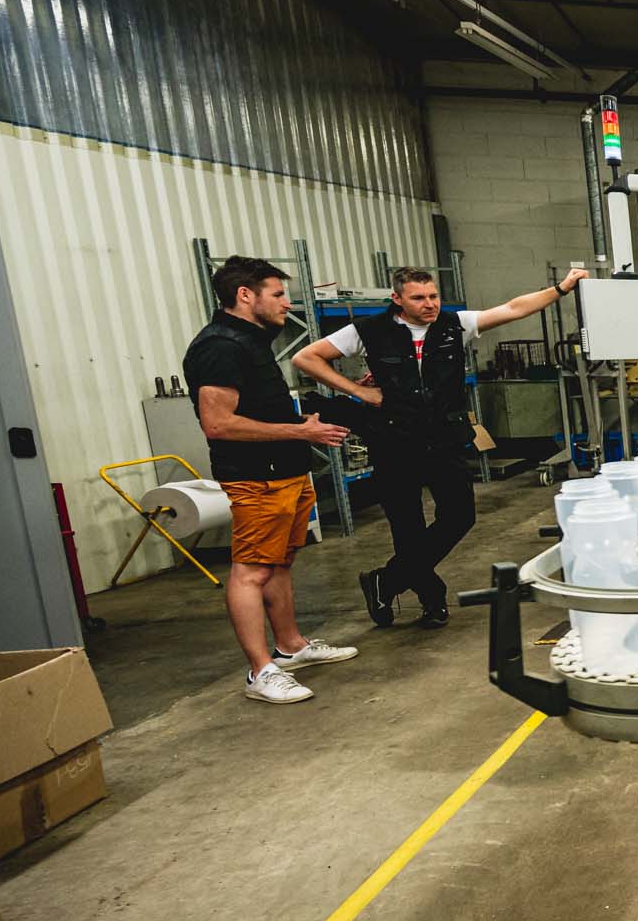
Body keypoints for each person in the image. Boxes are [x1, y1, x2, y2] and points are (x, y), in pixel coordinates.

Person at [294, 265, 590, 628]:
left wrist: (560, 289)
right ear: (397, 299)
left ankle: (386, 581)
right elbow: (305, 357)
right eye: (419, 298)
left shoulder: (455, 325)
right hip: (394, 440)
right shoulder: (369, 330)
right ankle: (431, 599)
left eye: (433, 296)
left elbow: (513, 308)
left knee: (459, 516)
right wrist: (359, 391)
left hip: (443, 438)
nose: (430, 304)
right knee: (407, 527)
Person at [185, 256, 360, 705]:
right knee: (252, 571)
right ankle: (260, 671)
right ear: (245, 295)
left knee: (280, 562)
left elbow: (258, 410)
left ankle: (290, 646)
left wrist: (303, 423)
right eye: (278, 294)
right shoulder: (220, 347)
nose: (287, 303)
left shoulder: (252, 340)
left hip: (285, 472)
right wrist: (301, 433)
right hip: (255, 479)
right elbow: (218, 424)